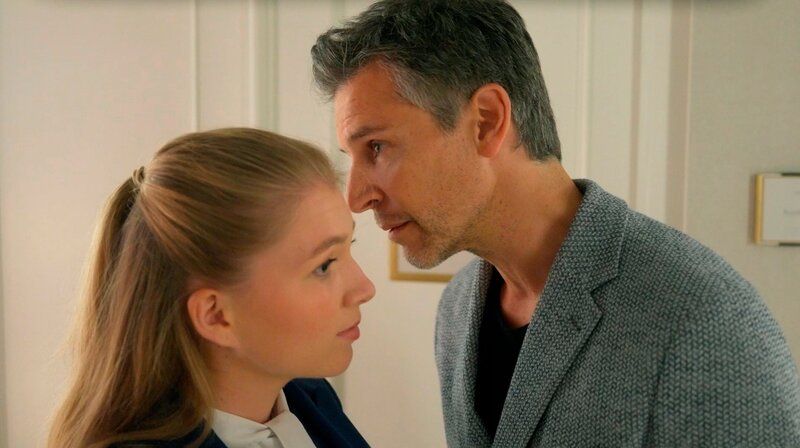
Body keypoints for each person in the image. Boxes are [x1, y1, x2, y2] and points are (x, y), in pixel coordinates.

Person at [311, 0, 800, 446]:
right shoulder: (458, 310)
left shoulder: (703, 318)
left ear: (486, 121)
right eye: (352, 157)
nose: (356, 197)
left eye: (377, 147)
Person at [48, 128, 375, 448]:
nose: (365, 288)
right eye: (324, 266)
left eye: (350, 246)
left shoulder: (311, 398)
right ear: (216, 315)